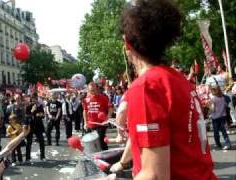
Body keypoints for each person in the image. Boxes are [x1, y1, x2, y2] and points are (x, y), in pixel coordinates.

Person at [115, 0, 216, 179]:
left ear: (127, 44)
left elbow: (154, 175)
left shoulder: (146, 86)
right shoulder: (177, 79)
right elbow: (147, 138)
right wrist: (123, 162)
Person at [82, 82, 110, 150]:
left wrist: (107, 118)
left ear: (97, 88)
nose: (92, 91)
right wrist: (85, 123)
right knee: (92, 143)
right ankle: (95, 156)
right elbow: (85, 111)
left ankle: (105, 155)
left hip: (101, 124)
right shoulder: (86, 99)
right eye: (90, 90)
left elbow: (110, 108)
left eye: (93, 90)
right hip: (91, 124)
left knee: (100, 140)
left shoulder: (103, 97)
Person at [209, 84, 232, 150]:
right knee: (223, 131)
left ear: (215, 91)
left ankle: (218, 144)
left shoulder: (213, 99)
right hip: (223, 116)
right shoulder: (222, 98)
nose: (211, 92)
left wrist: (209, 107)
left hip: (215, 118)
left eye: (212, 91)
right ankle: (228, 143)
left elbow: (212, 109)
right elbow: (225, 105)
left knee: (216, 132)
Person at [25, 95, 46, 161]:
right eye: (33, 99)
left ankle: (42, 156)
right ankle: (27, 157)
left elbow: (43, 115)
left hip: (38, 126)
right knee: (29, 142)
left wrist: (39, 114)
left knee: (41, 141)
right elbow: (27, 116)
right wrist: (32, 111)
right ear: (31, 100)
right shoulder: (28, 107)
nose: (34, 100)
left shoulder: (40, 106)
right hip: (30, 126)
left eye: (35, 99)